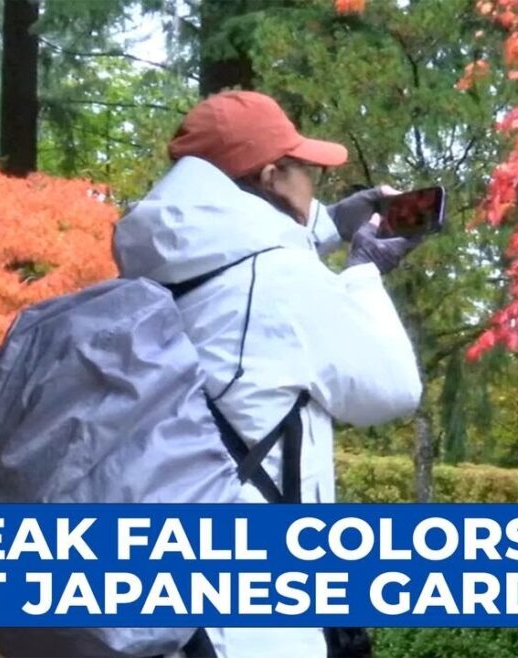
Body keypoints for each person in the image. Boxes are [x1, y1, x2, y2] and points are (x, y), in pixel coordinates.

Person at [111, 90, 423, 657]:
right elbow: (393, 389)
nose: (316, 185)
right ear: (274, 175)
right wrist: (364, 271)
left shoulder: (153, 271)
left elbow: (240, 259)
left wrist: (326, 225)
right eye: (308, 171)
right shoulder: (280, 280)